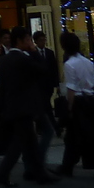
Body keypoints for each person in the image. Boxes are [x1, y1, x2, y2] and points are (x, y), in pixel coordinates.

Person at [0, 27, 56, 187]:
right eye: (28, 39)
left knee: (30, 142)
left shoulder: (3, 60)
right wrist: (35, 51)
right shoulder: (23, 59)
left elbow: (3, 87)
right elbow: (43, 70)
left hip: (13, 106)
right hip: (25, 106)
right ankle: (3, 174)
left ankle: (38, 173)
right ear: (20, 41)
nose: (30, 42)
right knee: (20, 144)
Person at [57, 34, 94, 179]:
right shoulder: (88, 62)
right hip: (92, 100)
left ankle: (67, 166)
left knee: (75, 135)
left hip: (79, 102)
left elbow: (71, 88)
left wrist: (69, 108)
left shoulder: (69, 64)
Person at [32, 31, 60, 170]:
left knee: (46, 105)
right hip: (38, 85)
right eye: (41, 40)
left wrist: (56, 83)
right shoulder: (33, 54)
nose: (43, 42)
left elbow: (54, 69)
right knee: (45, 107)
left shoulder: (49, 53)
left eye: (44, 39)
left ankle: (48, 126)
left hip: (47, 85)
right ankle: (51, 126)